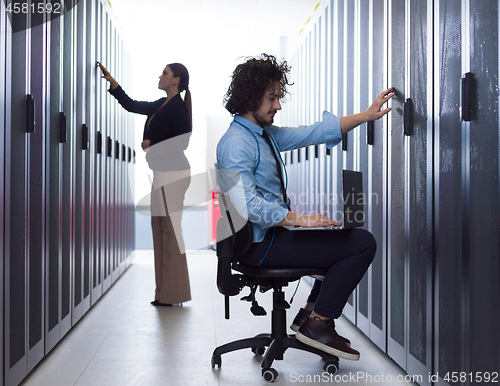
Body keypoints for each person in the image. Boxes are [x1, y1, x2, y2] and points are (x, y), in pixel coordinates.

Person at [216, 54, 394, 361]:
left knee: (338, 240)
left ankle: (310, 315)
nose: (278, 106)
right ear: (250, 97)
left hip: (270, 238)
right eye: (272, 98)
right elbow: (246, 204)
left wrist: (364, 117)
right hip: (260, 246)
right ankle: (318, 322)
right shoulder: (236, 143)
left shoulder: (262, 136)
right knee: (361, 244)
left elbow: (309, 133)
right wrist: (301, 219)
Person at [98, 61, 192, 306]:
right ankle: (163, 293)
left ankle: (174, 294)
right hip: (162, 173)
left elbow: (182, 143)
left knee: (170, 233)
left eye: (165, 73)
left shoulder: (179, 108)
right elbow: (132, 105)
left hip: (174, 174)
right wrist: (113, 83)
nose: (160, 76)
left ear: (176, 80)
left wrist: (153, 145)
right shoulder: (162, 104)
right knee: (160, 232)